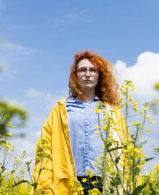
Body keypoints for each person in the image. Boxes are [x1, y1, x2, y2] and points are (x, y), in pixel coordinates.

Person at [33, 51, 127, 195]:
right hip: (71, 182)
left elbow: (124, 146)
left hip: (105, 181)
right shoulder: (61, 109)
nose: (87, 74)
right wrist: (44, 182)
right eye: (82, 70)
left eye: (93, 70)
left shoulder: (112, 110)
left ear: (99, 75)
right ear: (75, 76)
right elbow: (45, 148)